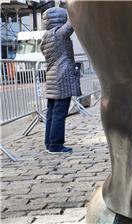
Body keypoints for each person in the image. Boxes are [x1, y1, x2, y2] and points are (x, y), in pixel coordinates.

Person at [41, 7, 81, 154]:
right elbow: (72, 23)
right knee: (59, 113)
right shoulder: (59, 34)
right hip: (62, 79)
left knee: (52, 112)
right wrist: (75, 6)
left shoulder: (46, 36)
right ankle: (56, 145)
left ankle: (49, 144)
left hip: (52, 79)